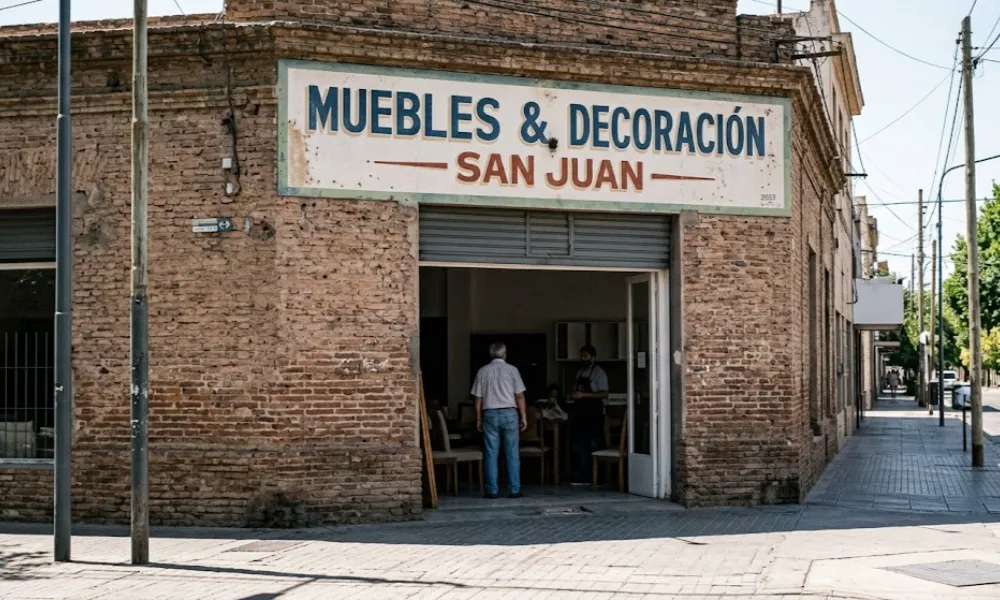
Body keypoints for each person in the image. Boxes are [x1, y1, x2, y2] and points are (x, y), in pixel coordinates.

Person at [471, 342, 528, 499]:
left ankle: (492, 490)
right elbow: (520, 395)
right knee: (512, 453)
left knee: (491, 453)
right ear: (504, 354)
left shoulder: (482, 371)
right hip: (510, 413)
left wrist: (478, 418)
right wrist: (523, 416)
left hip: (489, 414)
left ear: (491, 355)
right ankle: (514, 489)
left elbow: (477, 397)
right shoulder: (512, 370)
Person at [571, 344, 609, 485]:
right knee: (582, 445)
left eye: (585, 356)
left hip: (594, 413)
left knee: (595, 444)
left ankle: (600, 478)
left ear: (593, 357)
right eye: (581, 355)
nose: (582, 358)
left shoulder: (599, 373)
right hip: (581, 413)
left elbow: (604, 394)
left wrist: (584, 395)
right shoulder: (579, 372)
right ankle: (585, 476)